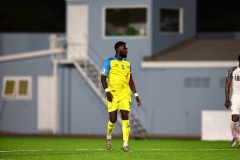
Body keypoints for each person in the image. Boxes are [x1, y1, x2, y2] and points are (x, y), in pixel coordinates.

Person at [101, 41, 141, 152]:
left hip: (125, 94)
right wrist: (107, 91)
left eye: (127, 49)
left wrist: (136, 95)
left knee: (125, 117)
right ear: (118, 49)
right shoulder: (109, 61)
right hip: (112, 94)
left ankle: (125, 145)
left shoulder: (127, 64)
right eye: (125, 49)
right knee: (113, 119)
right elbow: (103, 78)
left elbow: (131, 81)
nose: (126, 51)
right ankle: (108, 136)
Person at [225, 54, 240, 148]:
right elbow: (227, 85)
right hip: (236, 97)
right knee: (234, 118)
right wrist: (227, 99)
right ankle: (235, 137)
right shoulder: (232, 70)